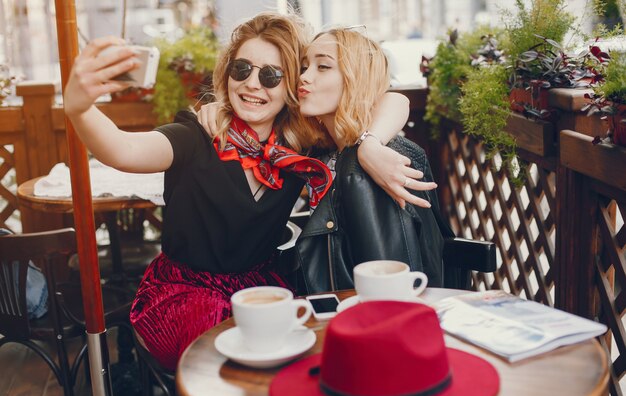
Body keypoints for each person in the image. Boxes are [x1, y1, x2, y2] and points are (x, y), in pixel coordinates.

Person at [63, 12, 431, 371]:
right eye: (242, 70)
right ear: (227, 75)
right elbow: (122, 151)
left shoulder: (299, 148)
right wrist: (80, 109)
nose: (253, 84)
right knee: (242, 355)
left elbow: (394, 99)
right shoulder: (196, 135)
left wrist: (369, 144)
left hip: (263, 286)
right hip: (182, 294)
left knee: (300, 353)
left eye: (271, 75)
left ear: (291, 87)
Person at [293, 28, 447, 293]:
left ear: (356, 80)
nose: (304, 77)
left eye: (323, 66)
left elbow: (392, 285)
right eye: (305, 66)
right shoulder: (331, 152)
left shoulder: (370, 166)